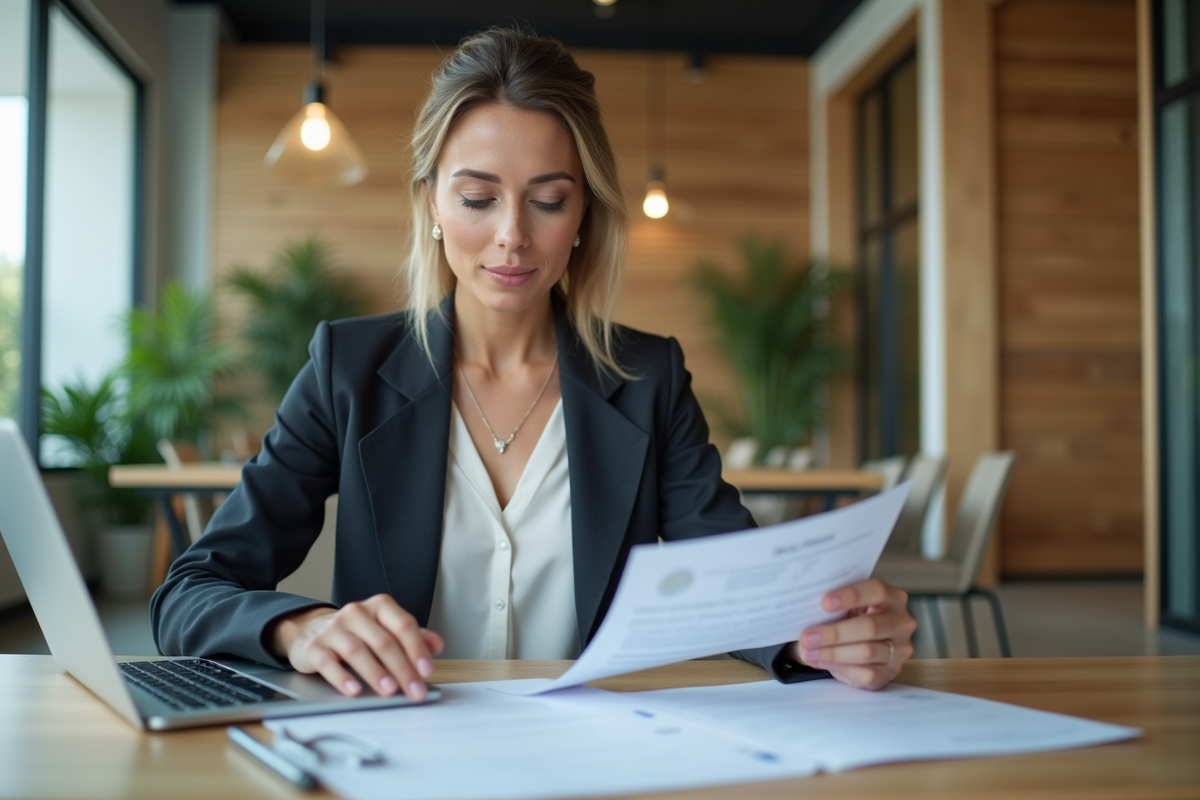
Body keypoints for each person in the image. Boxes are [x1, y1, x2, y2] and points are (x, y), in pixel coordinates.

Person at [151, 28, 916, 702]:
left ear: (584, 214)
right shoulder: (347, 367)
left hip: (592, 751)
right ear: (431, 204)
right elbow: (190, 592)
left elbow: (736, 585)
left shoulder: (649, 378)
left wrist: (821, 638)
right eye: (478, 198)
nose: (512, 236)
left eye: (548, 200)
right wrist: (301, 628)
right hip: (399, 747)